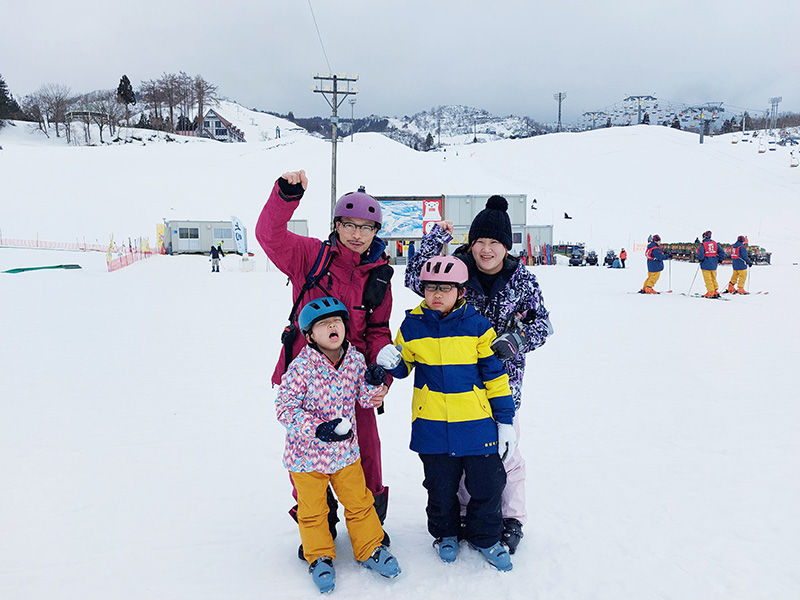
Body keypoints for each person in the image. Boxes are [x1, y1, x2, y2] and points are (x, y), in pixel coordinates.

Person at [403, 195, 551, 555]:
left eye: (495, 243)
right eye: (480, 241)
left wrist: (513, 341)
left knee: (505, 456)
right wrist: (437, 238)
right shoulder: (455, 269)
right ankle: (469, 517)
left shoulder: (522, 280)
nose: (486, 250)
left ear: (506, 246)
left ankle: (511, 518)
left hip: (502, 386)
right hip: (453, 385)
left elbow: (543, 325)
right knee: (462, 459)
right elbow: (414, 276)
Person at [256, 170, 393, 558]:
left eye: (366, 227)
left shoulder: (379, 276)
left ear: (375, 232)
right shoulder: (311, 256)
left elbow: (379, 327)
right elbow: (270, 236)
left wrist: (380, 362)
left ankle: (369, 526)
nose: (356, 233)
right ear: (336, 225)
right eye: (348, 224)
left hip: (352, 378)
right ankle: (319, 525)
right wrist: (286, 195)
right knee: (307, 451)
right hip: (308, 376)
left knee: (365, 451)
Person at [377, 256, 516, 572]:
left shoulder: (478, 327)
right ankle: (445, 534)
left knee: (487, 485)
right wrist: (391, 361)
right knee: (439, 487)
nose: (436, 294)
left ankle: (486, 538)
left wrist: (505, 422)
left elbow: (494, 375)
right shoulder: (412, 325)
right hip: (433, 425)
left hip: (477, 425)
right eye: (429, 288)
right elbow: (404, 367)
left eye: (444, 288)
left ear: (461, 291)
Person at [276, 297, 400, 593]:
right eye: (323, 324)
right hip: (306, 458)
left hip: (345, 454)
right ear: (309, 336)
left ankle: (370, 547)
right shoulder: (301, 367)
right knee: (314, 511)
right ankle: (319, 556)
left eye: (337, 322)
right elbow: (285, 409)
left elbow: (365, 401)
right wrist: (318, 428)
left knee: (359, 502)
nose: (333, 326)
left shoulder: (355, 360)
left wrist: (373, 383)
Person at [697, 230, 726, 298]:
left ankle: (710, 292)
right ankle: (715, 290)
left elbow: (701, 254)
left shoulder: (703, 245)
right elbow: (722, 252)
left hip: (705, 264)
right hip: (714, 264)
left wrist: (700, 259)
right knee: (713, 278)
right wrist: (720, 260)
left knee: (708, 279)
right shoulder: (715, 243)